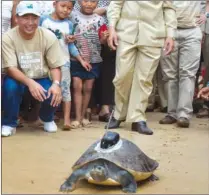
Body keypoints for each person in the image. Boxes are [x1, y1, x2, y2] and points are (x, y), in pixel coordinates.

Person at [106, 1, 177, 135]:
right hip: (126, 31)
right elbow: (116, 4)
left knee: (144, 79)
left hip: (153, 34)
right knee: (122, 76)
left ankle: (138, 118)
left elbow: (169, 9)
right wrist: (112, 28)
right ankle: (118, 114)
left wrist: (170, 35)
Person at [2, 1, 64, 137]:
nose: (30, 22)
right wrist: (30, 83)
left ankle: (47, 118)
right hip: (17, 77)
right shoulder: (7, 38)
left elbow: (55, 66)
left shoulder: (48, 36)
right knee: (10, 88)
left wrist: (56, 84)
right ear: (17, 19)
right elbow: (10, 68)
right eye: (25, 17)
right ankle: (9, 123)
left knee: (55, 90)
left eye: (34, 18)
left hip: (41, 77)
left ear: (39, 19)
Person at [40, 0, 91, 130]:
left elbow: (71, 45)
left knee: (65, 90)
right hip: (44, 62)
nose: (65, 10)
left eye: (69, 8)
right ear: (54, 4)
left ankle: (67, 120)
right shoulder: (44, 20)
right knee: (44, 88)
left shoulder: (68, 24)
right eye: (63, 6)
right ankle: (39, 117)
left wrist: (81, 60)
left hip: (63, 62)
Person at [159, 1, 209, 128]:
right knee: (169, 74)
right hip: (169, 31)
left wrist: (206, 16)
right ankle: (172, 113)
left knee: (188, 73)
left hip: (192, 30)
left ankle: (184, 114)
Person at [69, 0, 106, 128]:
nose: (89, 4)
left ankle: (84, 115)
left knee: (88, 88)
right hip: (76, 59)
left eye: (93, 1)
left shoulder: (100, 19)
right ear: (79, 1)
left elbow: (101, 41)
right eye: (86, 1)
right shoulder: (72, 16)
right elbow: (68, 34)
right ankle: (77, 117)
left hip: (94, 60)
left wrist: (104, 38)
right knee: (76, 87)